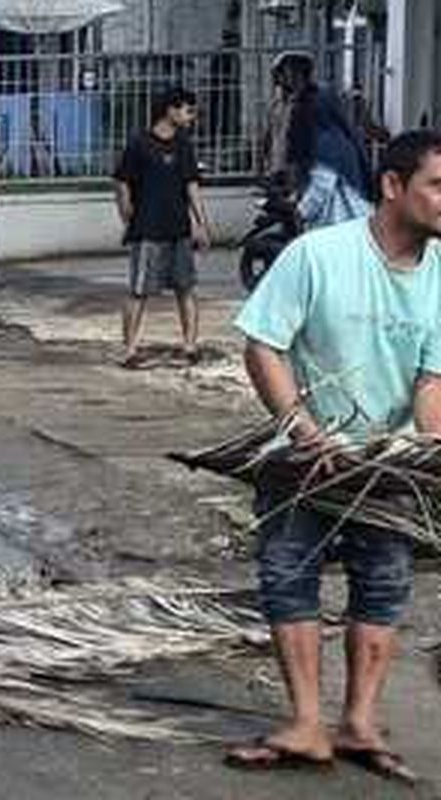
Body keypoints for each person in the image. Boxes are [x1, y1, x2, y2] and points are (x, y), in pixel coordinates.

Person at [224, 130, 441, 784]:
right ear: (393, 186)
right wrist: (301, 428)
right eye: (438, 184)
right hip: (306, 459)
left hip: (389, 463)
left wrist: (427, 447)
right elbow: (263, 344)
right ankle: (307, 722)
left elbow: (432, 380)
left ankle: (360, 722)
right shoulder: (317, 255)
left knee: (384, 583)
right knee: (289, 575)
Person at [113, 86, 211, 369]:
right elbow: (121, 181)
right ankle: (129, 349)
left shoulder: (183, 144)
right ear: (170, 109)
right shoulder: (139, 143)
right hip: (148, 228)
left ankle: (190, 346)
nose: (190, 116)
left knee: (186, 287)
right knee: (139, 290)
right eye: (186, 110)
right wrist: (126, 213)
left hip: (178, 227)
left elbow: (191, 184)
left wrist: (201, 224)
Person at [266, 52, 371, 230]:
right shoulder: (291, 105)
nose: (285, 80)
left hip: (340, 221)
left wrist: (300, 211)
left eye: (289, 73)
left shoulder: (327, 143)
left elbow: (322, 183)